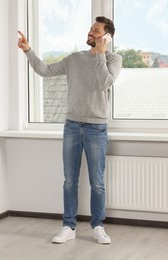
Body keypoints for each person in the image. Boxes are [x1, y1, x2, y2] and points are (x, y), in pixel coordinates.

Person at [18, 16, 122, 244]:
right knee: (69, 180)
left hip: (97, 127)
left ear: (107, 37)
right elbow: (45, 70)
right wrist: (28, 51)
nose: (91, 33)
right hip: (72, 126)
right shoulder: (75, 58)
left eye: (96, 31)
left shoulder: (114, 59)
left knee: (97, 182)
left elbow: (104, 83)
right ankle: (68, 226)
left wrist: (100, 54)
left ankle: (98, 226)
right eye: (91, 29)